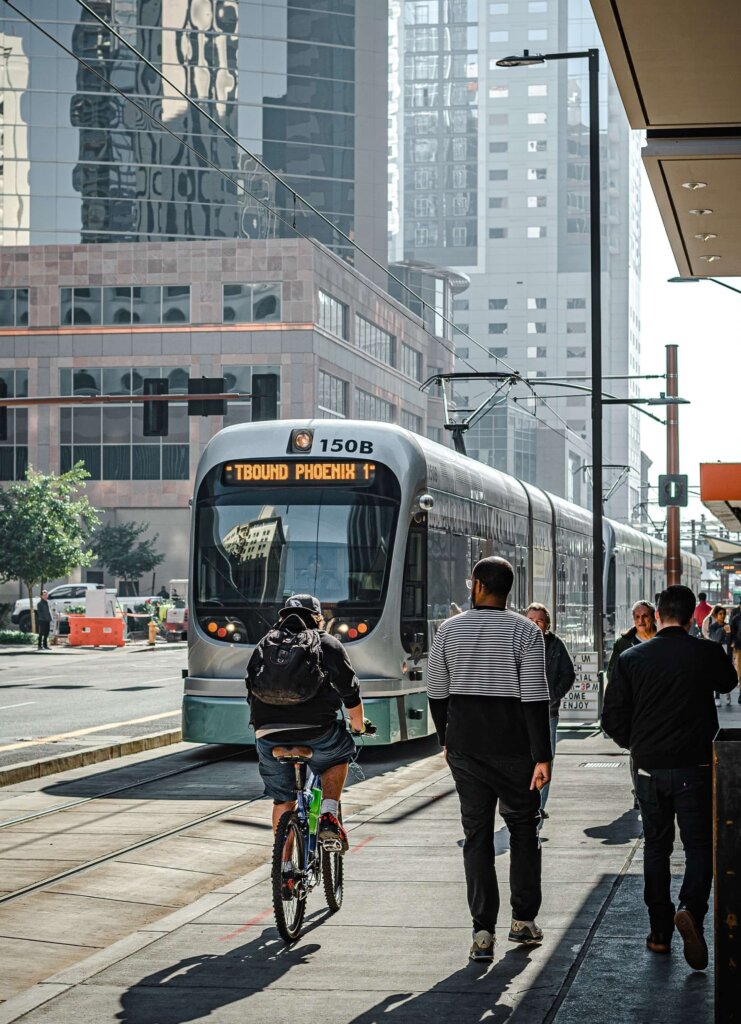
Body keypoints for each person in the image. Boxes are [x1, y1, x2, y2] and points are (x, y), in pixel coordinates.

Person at [601, 585, 737, 971]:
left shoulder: (631, 658)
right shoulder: (705, 652)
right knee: (698, 846)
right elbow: (728, 682)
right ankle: (691, 908)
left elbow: (611, 718)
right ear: (694, 615)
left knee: (656, 847)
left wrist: (638, 744)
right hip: (695, 767)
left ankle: (659, 933)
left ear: (657, 615)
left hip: (649, 769)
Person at [427, 556, 551, 964]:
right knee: (523, 830)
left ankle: (482, 932)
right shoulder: (525, 632)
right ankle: (524, 921)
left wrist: (447, 739)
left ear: (478, 586)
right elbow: (535, 698)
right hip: (515, 749)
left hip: (467, 748)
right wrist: (542, 757)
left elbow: (436, 692)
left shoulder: (449, 630)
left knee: (476, 835)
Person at [245, 594, 366, 868]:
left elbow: (250, 689)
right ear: (318, 618)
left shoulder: (265, 644)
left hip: (268, 734)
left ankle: (284, 867)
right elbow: (350, 693)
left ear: (281, 618)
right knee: (338, 755)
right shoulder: (326, 643)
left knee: (283, 801)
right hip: (317, 732)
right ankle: (329, 814)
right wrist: (358, 726)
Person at [524, 603, 575, 819]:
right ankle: (525, 802)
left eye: (540, 621)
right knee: (523, 759)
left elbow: (568, 674)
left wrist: (553, 695)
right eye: (531, 620)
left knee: (545, 758)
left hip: (548, 713)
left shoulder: (555, 645)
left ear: (547, 624)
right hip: (521, 713)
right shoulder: (517, 643)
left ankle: (538, 805)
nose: (535, 624)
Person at [606, 600, 657, 681]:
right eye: (637, 617)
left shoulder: (664, 641)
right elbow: (612, 674)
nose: (641, 620)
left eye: (645, 616)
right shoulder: (622, 644)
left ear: (654, 617)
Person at [707, 604, 733, 706]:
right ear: (716, 615)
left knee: (726, 673)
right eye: (720, 614)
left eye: (724, 614)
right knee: (716, 673)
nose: (722, 616)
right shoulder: (713, 627)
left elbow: (729, 640)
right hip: (716, 652)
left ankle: (727, 694)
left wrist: (728, 633)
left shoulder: (728, 625)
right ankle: (717, 696)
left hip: (726, 651)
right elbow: (715, 638)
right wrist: (723, 630)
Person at [729, 597, 741, 704]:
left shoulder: (735, 617)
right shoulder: (736, 618)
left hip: (738, 646)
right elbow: (732, 633)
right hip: (739, 646)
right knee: (740, 670)